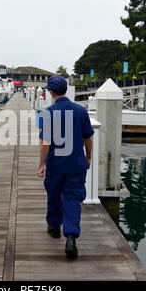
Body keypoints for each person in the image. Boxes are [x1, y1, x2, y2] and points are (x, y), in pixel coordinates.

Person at [37, 75, 94, 259]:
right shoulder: (80, 110)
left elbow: (45, 144)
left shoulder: (47, 113)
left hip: (56, 164)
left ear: (52, 93)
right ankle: (70, 237)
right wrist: (88, 157)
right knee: (72, 197)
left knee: (54, 193)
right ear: (66, 90)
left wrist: (41, 164)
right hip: (76, 164)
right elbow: (88, 138)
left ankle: (54, 227)